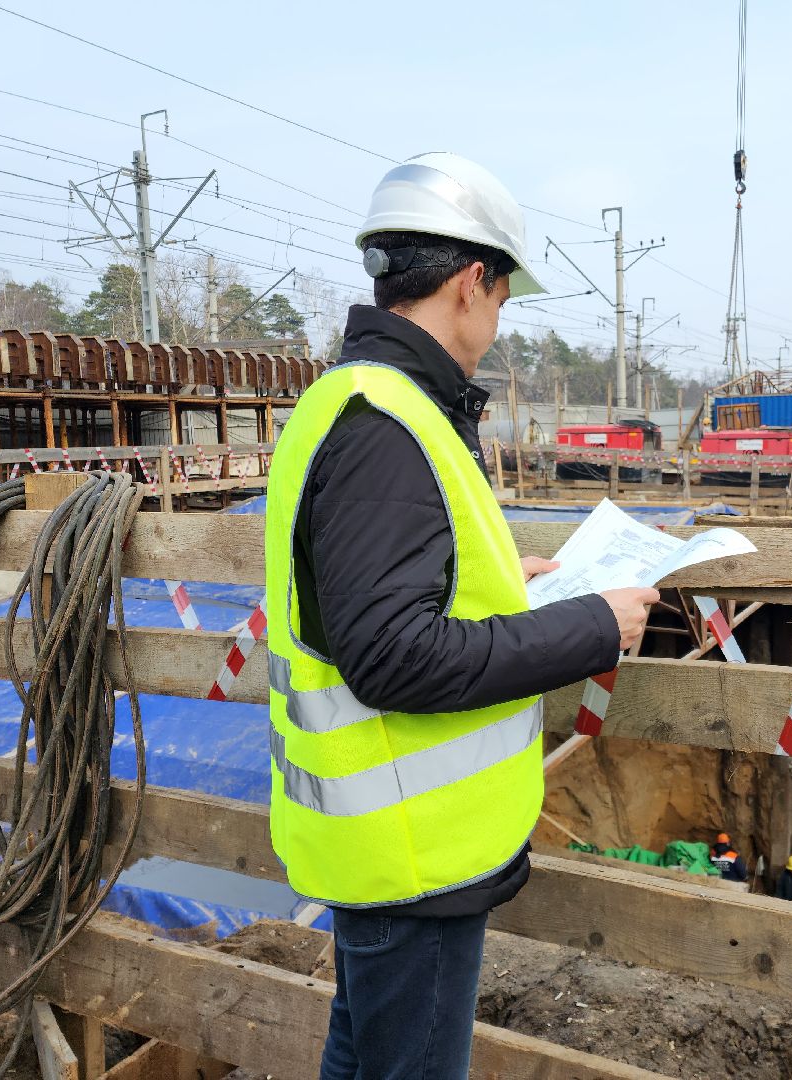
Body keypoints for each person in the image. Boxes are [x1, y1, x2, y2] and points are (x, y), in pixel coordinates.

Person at [263, 152, 659, 1080]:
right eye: (504, 297)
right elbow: (395, 656)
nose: (497, 323)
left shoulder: (348, 402)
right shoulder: (388, 425)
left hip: (381, 838)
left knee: (362, 1056)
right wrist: (594, 627)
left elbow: (364, 596)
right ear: (474, 282)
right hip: (414, 850)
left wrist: (504, 586)